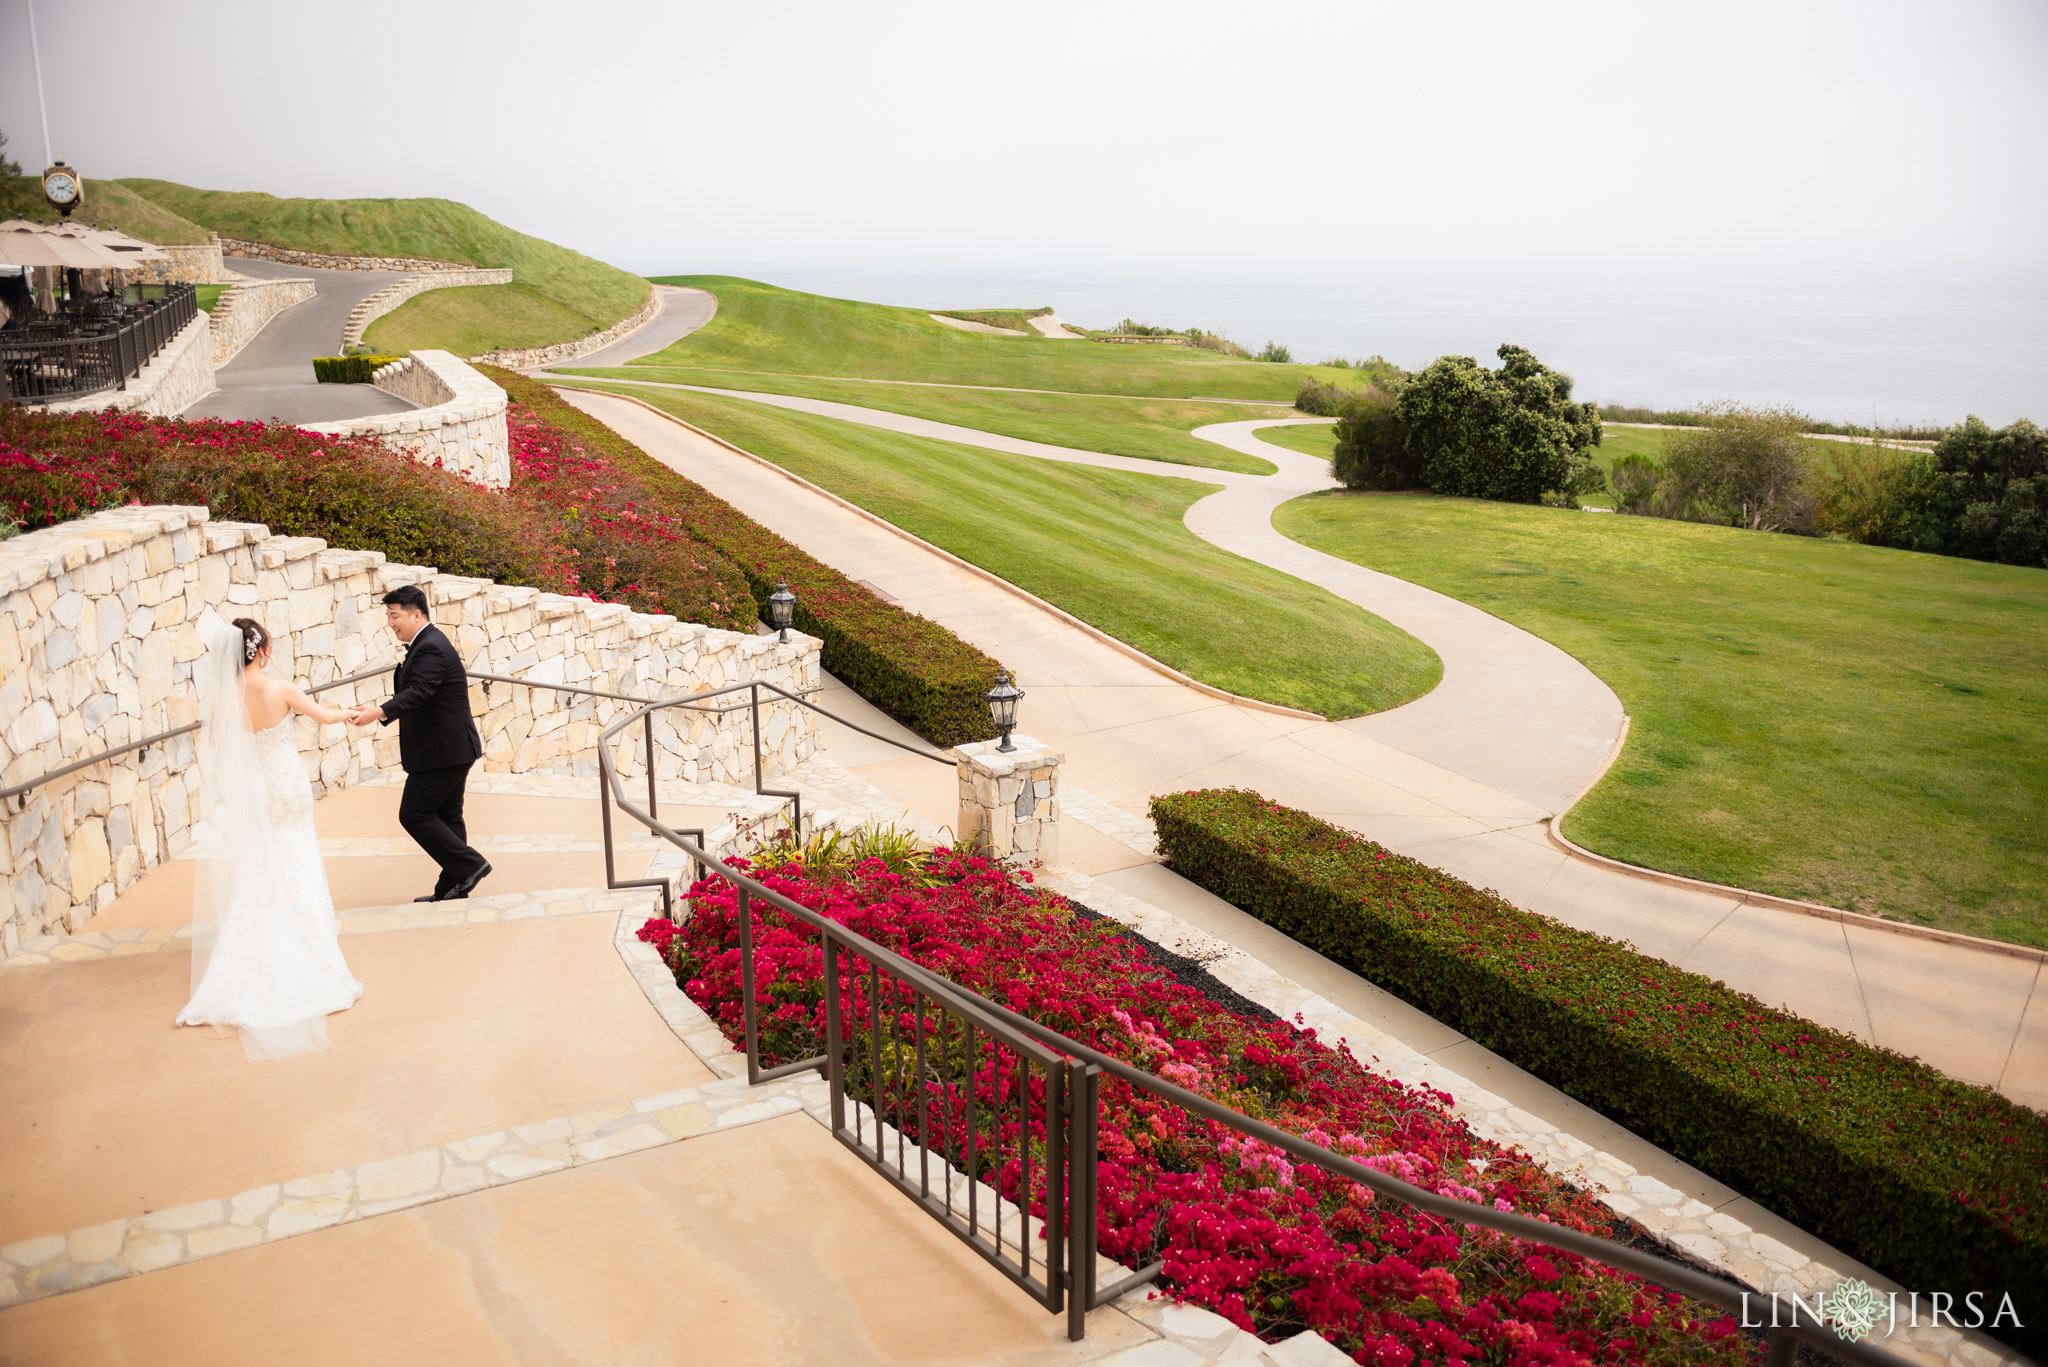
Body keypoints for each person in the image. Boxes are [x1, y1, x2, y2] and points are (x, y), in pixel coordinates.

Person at [178, 614, 364, 1060]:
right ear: (261, 650)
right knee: (297, 858)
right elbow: (325, 716)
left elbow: (222, 747)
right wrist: (355, 713)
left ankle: (250, 956)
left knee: (264, 865)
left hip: (259, 792)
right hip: (288, 787)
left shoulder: (225, 698)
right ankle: (309, 955)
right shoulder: (278, 688)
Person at [347, 585, 490, 903]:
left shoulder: (431, 647)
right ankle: (453, 887)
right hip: (450, 749)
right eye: (387, 615)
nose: (390, 622)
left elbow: (420, 691)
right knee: (448, 816)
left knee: (414, 814)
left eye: (394, 615)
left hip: (443, 752)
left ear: (416, 614)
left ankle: (470, 865)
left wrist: (378, 712)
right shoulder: (423, 644)